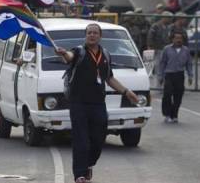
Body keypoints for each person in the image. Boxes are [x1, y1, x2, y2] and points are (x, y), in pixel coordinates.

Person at [55, 23, 139, 183]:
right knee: (81, 140)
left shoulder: (105, 55)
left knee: (98, 139)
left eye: (95, 33)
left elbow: (109, 78)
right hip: (78, 103)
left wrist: (127, 92)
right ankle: (79, 175)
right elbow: (69, 57)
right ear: (85, 35)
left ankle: (89, 164)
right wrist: (63, 53)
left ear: (100, 36)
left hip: (98, 103)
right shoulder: (79, 52)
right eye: (89, 33)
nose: (92, 35)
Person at [159, 33, 193, 123]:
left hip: (180, 75)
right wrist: (161, 76)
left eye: (180, 38)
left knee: (178, 96)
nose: (179, 40)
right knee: (167, 94)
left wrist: (190, 75)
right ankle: (167, 114)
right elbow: (162, 63)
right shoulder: (167, 49)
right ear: (172, 39)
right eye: (177, 38)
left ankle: (174, 115)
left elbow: (189, 63)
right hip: (169, 75)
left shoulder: (186, 50)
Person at [147, 11, 173, 79]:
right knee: (157, 63)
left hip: (165, 48)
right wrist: (150, 46)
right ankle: (158, 77)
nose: (170, 19)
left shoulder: (168, 27)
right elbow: (150, 36)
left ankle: (162, 76)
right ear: (164, 18)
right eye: (168, 18)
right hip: (157, 48)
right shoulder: (155, 26)